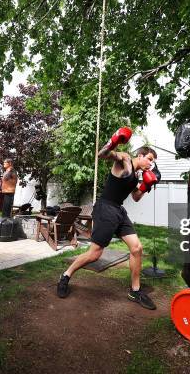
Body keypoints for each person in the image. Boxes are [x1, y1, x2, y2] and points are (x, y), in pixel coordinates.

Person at [56, 127, 160, 310]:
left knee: (137, 248)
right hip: (105, 208)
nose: (150, 164)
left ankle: (135, 291)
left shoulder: (137, 176)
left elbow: (135, 197)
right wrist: (114, 142)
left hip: (119, 211)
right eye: (149, 159)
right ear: (141, 155)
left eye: (152, 162)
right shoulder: (125, 159)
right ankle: (65, 275)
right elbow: (102, 154)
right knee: (95, 254)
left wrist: (146, 186)